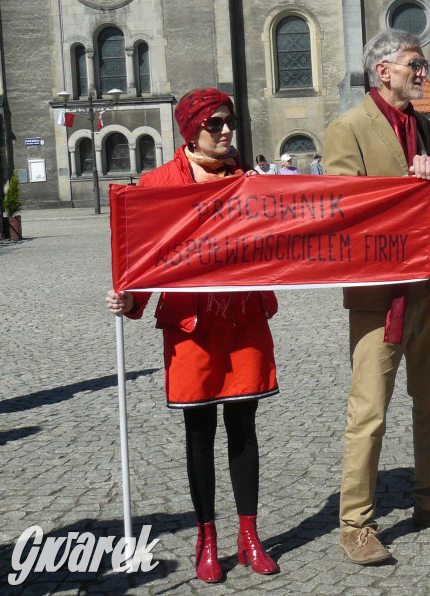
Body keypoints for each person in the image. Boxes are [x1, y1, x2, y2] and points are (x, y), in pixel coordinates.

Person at [105, 88, 280, 582]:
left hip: (242, 316)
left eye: (229, 123)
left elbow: (280, 241)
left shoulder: (250, 182)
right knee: (199, 431)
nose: (226, 131)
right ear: (191, 129)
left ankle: (250, 535)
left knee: (243, 429)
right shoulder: (158, 183)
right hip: (191, 324)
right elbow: (142, 256)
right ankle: (209, 538)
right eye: (215, 124)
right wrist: (131, 298)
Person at [323, 30, 430, 565]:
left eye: (424, 63)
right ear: (383, 70)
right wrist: (410, 182)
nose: (423, 72)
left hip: (427, 282)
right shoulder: (347, 129)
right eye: (415, 64)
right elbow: (344, 211)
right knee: (369, 410)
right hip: (379, 293)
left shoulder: (421, 126)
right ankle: (357, 522)